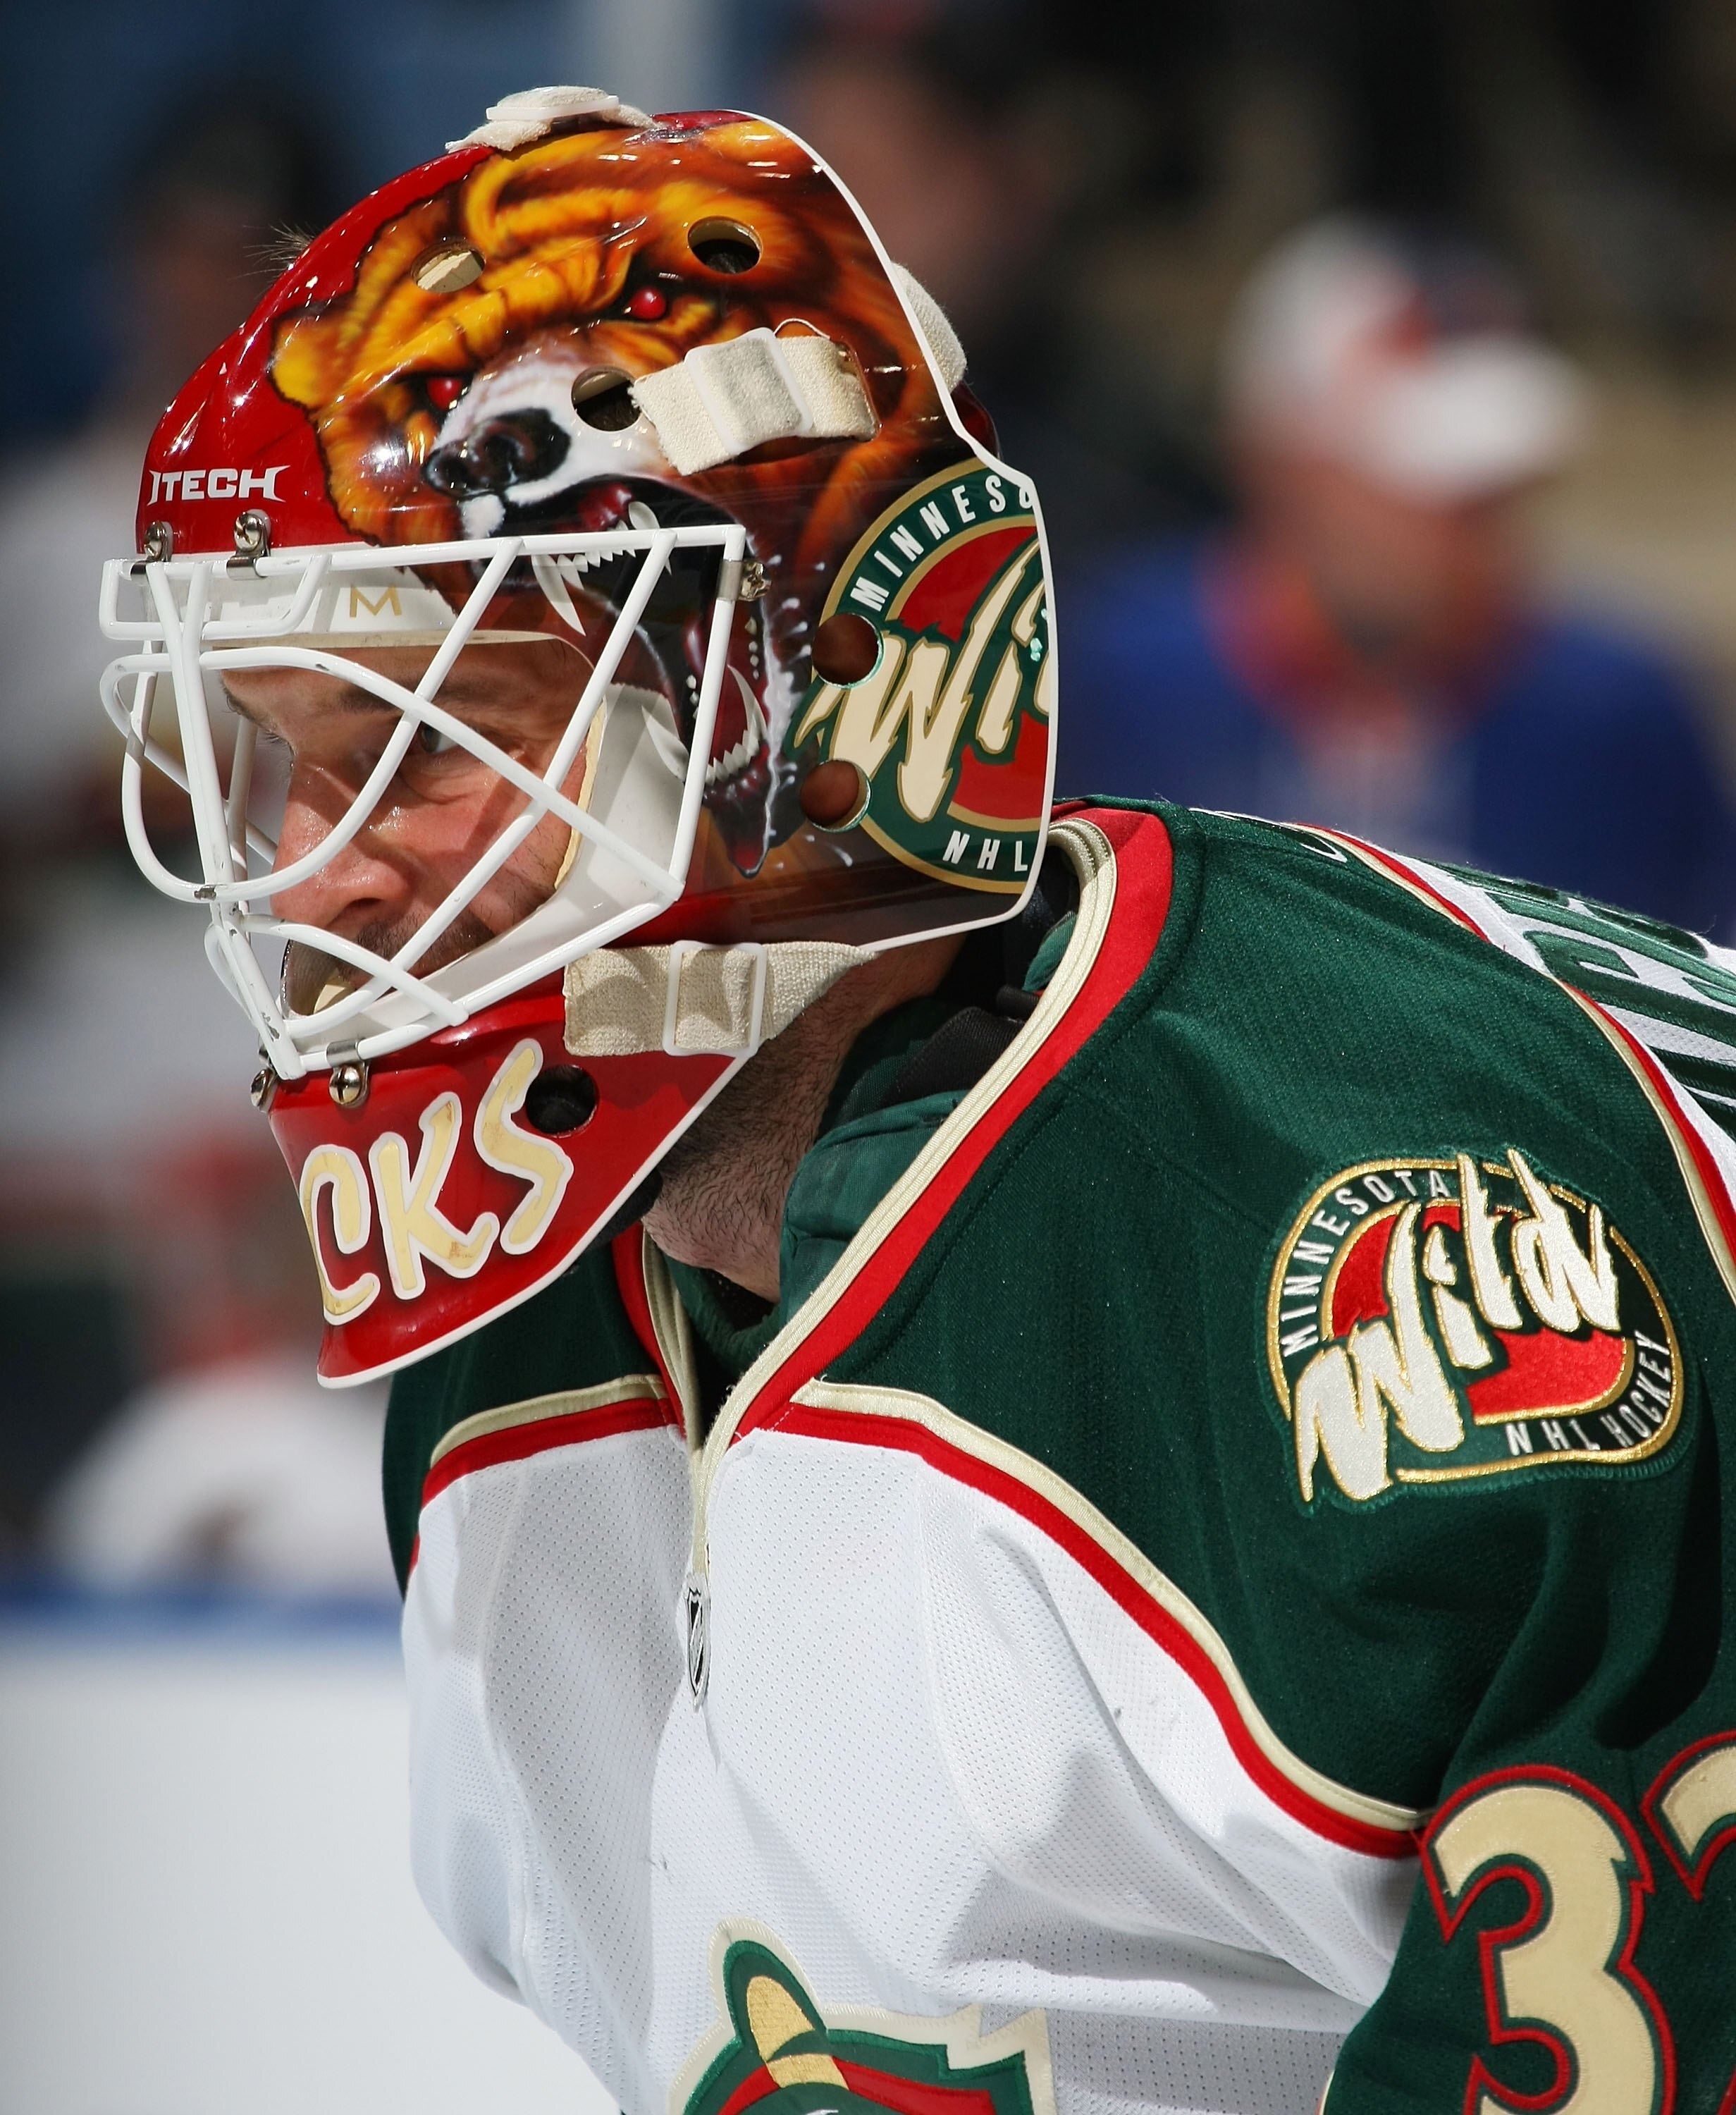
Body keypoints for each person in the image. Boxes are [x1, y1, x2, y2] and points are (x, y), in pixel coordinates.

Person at [98, 87, 1736, 2114]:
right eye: (277, 757)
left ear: (765, 707)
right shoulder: (528, 1302)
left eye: (418, 745)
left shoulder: (1412, 1286)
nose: (313, 870)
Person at [1059, 218, 1736, 939]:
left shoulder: (1617, 713)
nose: (1471, 527)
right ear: (1276, 463)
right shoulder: (1112, 680)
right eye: (1427, 477)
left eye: (1496, 484)